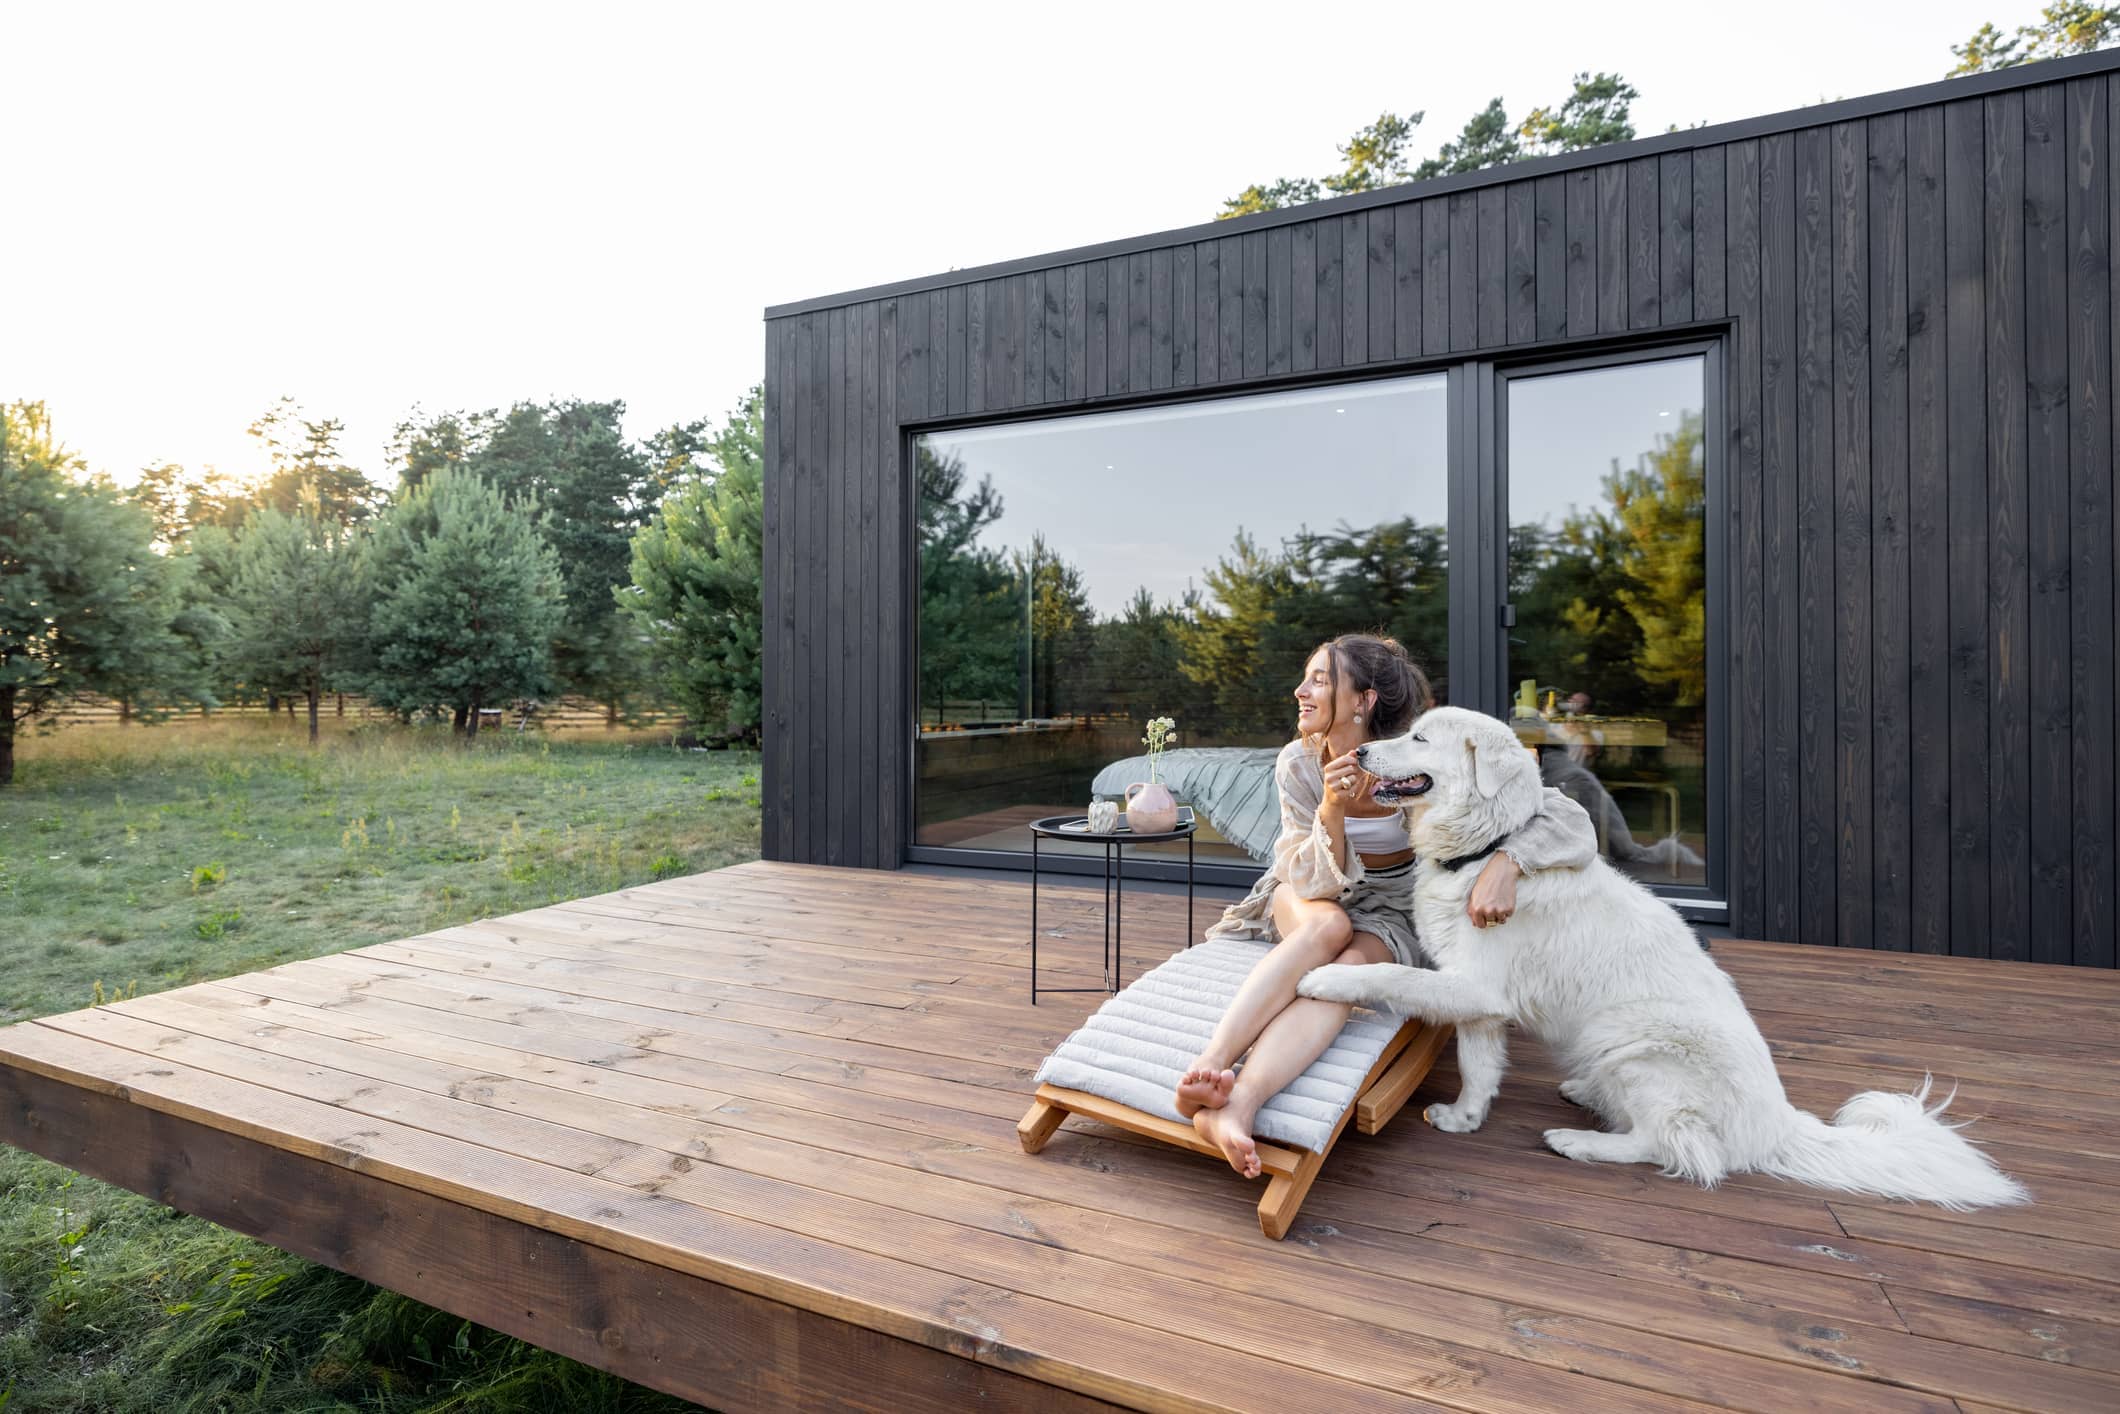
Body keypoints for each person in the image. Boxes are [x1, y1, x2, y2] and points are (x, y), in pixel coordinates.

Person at [1174, 633, 1598, 1178]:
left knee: (1351, 972)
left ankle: (1239, 1103)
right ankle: (1210, 1065)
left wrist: (1505, 863)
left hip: (1397, 909)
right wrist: (1331, 809)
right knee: (1326, 931)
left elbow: (1569, 820)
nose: (1300, 691)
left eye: (1319, 680)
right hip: (1313, 897)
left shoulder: (1423, 753)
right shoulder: (1298, 764)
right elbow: (1304, 877)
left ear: (1363, 700)